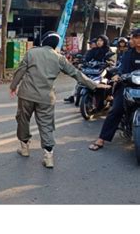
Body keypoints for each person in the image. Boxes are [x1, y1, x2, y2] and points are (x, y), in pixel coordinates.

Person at [10, 31, 109, 168]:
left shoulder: (32, 53)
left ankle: (25, 148)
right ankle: (48, 156)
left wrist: (13, 86)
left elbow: (20, 71)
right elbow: (76, 73)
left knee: (23, 119)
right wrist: (93, 85)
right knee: (46, 125)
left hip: (27, 94)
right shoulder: (59, 58)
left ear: (43, 41)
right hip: (46, 97)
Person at [89, 29, 140, 151]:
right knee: (116, 109)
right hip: (127, 85)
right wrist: (118, 75)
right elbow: (122, 68)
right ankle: (102, 138)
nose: (131, 40)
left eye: (134, 38)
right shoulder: (128, 54)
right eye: (131, 38)